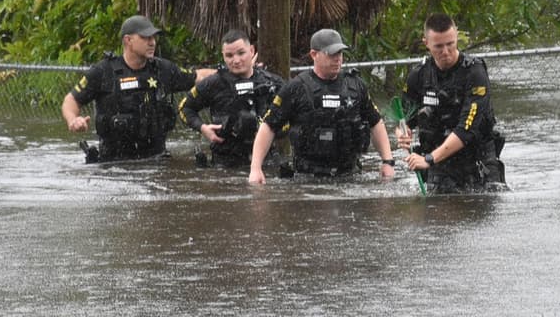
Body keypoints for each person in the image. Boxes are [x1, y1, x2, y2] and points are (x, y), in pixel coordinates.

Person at [248, 28, 396, 184]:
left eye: (340, 54)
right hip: (307, 179)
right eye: (331, 54)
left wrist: (388, 162)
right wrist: (256, 168)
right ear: (314, 54)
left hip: (350, 176)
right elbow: (268, 126)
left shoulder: (355, 86)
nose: (337, 59)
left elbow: (376, 122)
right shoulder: (296, 88)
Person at [61, 15, 212, 162]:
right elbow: (71, 100)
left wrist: (228, 72)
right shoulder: (103, 71)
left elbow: (198, 77)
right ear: (128, 40)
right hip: (114, 163)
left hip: (156, 159)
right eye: (146, 38)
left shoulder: (163, 69)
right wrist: (73, 120)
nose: (152, 42)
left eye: (153, 38)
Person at [398, 13, 506, 193]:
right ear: (426, 44)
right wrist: (403, 133)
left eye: (450, 44)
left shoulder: (475, 72)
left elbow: (466, 128)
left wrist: (429, 159)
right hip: (439, 164)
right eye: (438, 47)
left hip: (477, 162)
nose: (446, 52)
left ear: (456, 36)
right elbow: (404, 117)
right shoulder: (419, 75)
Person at [178, 29, 285, 169]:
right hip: (225, 161)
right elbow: (185, 108)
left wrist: (268, 130)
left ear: (252, 51)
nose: (236, 60)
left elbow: (293, 116)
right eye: (229, 55)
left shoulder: (273, 83)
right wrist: (203, 128)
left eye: (241, 53)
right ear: (223, 56)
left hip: (266, 161)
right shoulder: (213, 83)